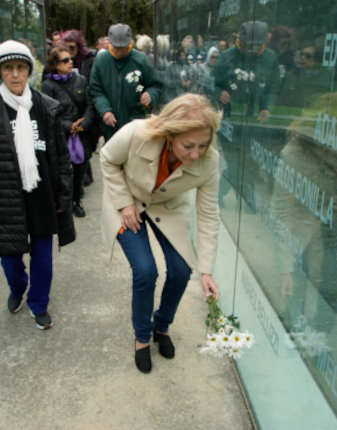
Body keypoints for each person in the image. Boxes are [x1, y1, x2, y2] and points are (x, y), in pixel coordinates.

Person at [100, 93, 222, 373]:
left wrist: (206, 270)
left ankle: (161, 326)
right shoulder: (136, 133)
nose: (195, 155)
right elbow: (107, 159)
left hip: (167, 206)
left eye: (203, 145)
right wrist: (124, 203)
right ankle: (143, 337)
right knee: (145, 271)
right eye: (188, 145)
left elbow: (208, 215)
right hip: (127, 201)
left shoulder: (210, 162)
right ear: (169, 134)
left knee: (181, 270)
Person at [0, 40, 75, 330]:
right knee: (10, 259)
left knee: (43, 257)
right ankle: (18, 289)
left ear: (29, 71)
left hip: (42, 194)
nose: (15, 74)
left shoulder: (46, 107)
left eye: (20, 68)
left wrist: (64, 195)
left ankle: (38, 303)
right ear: (0, 73)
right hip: (5, 197)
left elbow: (61, 157)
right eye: (8, 68)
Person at [41, 47, 95, 218]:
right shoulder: (48, 86)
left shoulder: (81, 80)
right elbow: (47, 113)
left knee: (79, 169)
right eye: (65, 60)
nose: (70, 61)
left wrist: (84, 123)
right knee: (63, 171)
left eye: (70, 58)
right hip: (61, 136)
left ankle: (77, 201)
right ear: (55, 65)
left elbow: (90, 105)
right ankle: (63, 202)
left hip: (81, 135)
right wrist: (68, 126)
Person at [89, 24, 164, 141]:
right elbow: (95, 90)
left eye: (123, 47)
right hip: (111, 127)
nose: (119, 51)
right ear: (110, 42)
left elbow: (156, 84)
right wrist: (105, 110)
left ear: (129, 43)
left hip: (136, 124)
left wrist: (150, 94)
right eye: (116, 47)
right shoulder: (100, 60)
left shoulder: (141, 59)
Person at [211, 21, 280, 119]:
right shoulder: (227, 56)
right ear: (241, 40)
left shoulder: (270, 57)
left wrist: (266, 107)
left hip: (258, 116)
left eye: (258, 45)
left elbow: (273, 87)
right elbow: (210, 83)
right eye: (250, 45)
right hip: (229, 113)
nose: (253, 49)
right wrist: (219, 93)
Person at [63, 29, 98, 187]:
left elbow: (94, 84)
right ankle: (83, 175)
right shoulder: (62, 61)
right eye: (66, 47)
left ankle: (85, 174)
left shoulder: (89, 60)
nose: (69, 52)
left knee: (87, 142)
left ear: (78, 46)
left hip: (86, 106)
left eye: (72, 47)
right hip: (70, 110)